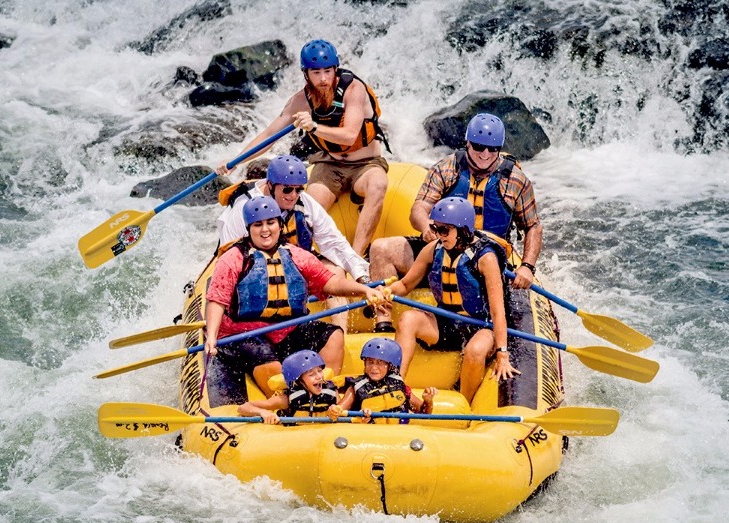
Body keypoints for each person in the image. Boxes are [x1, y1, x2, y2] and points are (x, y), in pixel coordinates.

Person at [204, 197, 387, 407]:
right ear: (248, 229)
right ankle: (287, 402)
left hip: (288, 330)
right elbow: (217, 299)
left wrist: (365, 290)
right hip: (246, 333)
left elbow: (331, 283)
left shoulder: (297, 255)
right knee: (264, 355)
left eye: (270, 223)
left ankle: (324, 393)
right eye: (258, 224)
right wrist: (211, 336)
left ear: (280, 225)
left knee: (332, 335)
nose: (265, 230)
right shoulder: (234, 258)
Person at [369, 112, 542, 332]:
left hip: (484, 260)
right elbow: (419, 208)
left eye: (492, 148)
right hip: (444, 246)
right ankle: (383, 323)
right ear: (467, 142)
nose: (485, 154)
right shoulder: (446, 168)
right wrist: (426, 228)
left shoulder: (516, 180)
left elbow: (533, 226)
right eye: (478, 146)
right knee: (381, 248)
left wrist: (527, 267)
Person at [217, 39, 389, 257]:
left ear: (336, 69)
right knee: (303, 205)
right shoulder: (300, 101)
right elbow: (269, 135)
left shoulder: (353, 89)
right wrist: (236, 161)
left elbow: (349, 135)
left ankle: (355, 257)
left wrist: (315, 127)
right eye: (316, 72)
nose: (324, 78)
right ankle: (292, 258)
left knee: (378, 184)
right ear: (306, 74)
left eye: (328, 71)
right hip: (329, 164)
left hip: (366, 163)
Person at [217, 154, 371, 331]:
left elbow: (334, 242)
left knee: (335, 269)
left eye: (299, 190)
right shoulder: (244, 208)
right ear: (270, 186)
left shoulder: (305, 203)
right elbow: (229, 258)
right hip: (256, 271)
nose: (293, 195)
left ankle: (340, 334)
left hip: (297, 264)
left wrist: (362, 276)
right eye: (288, 190)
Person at [386, 197, 519, 402]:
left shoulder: (486, 258)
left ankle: (464, 404)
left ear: (463, 230)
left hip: (481, 325)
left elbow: (497, 311)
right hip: (446, 321)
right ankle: (395, 389)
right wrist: (385, 292)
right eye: (435, 228)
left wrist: (502, 353)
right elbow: (404, 285)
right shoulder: (434, 249)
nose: (438, 235)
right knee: (408, 319)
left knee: (475, 350)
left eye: (444, 230)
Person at [333, 337, 436, 424]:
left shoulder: (399, 386)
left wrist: (428, 401)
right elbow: (336, 414)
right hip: (367, 437)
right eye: (370, 362)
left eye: (379, 363)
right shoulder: (355, 388)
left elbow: (424, 414)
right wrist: (358, 417)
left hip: (398, 438)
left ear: (390, 366)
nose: (373, 367)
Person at [238, 350, 343, 425]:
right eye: (311, 374)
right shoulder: (286, 399)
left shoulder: (331, 393)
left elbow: (344, 410)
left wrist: (337, 410)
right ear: (298, 381)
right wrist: (263, 412)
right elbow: (243, 408)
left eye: (319, 371)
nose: (319, 377)